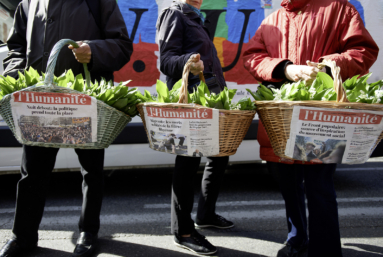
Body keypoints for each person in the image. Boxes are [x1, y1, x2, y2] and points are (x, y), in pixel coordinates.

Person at [243, 0, 379, 256]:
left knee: (320, 188)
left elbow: (364, 50)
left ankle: (325, 250)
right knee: (288, 186)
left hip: (322, 119)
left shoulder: (339, 8)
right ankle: (297, 240)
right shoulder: (271, 20)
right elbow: (251, 58)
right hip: (282, 121)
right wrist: (286, 68)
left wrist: (327, 66)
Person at [0, 1, 133, 257]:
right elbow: (16, 47)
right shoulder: (28, 3)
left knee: (91, 172)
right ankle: (22, 237)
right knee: (32, 173)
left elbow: (122, 46)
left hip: (83, 103)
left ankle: (88, 232)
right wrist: (16, 74)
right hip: (40, 106)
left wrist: (93, 51)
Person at [157, 0, 233, 255]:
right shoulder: (174, 14)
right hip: (191, 103)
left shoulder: (195, 16)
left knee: (220, 153)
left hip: (209, 98)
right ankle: (183, 231)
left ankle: (206, 214)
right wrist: (189, 62)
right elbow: (166, 60)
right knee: (188, 161)